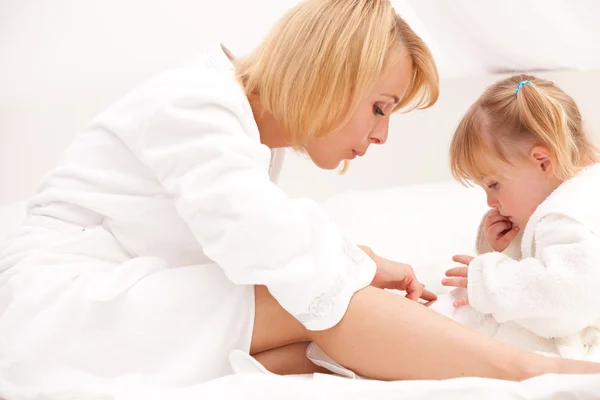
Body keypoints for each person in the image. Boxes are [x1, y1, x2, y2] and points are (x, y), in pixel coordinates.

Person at [0, 0, 599, 394]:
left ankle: (489, 365)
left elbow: (258, 240)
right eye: (380, 107)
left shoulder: (244, 131)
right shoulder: (194, 103)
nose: (381, 133)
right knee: (324, 299)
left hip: (115, 298)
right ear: (332, 75)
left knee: (322, 336)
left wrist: (355, 264)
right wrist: (361, 268)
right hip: (61, 308)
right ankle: (536, 371)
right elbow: (264, 243)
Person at [443, 74, 600, 361]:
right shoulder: (586, 194)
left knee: (471, 326)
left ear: (543, 162)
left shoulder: (562, 217)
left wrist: (492, 281)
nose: (490, 202)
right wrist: (506, 248)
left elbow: (568, 301)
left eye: (493, 185)